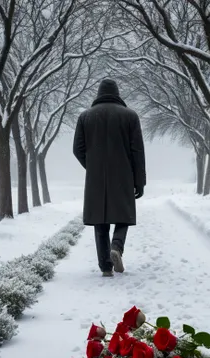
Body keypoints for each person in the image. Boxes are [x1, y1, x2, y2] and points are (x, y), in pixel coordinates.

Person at [73, 79, 146, 277]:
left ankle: (106, 266)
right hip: (124, 176)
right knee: (124, 215)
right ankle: (117, 247)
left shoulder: (85, 117)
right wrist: (139, 180)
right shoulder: (130, 116)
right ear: (117, 93)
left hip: (96, 178)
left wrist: (93, 166)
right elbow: (137, 151)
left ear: (98, 94)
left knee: (100, 221)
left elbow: (77, 149)